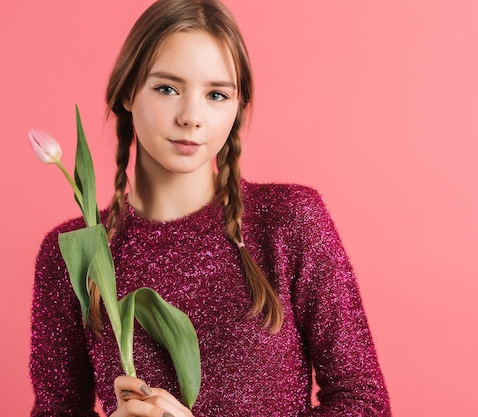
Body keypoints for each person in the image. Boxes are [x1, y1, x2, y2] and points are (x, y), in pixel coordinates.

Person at [30, 0, 392, 416]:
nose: (191, 117)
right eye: (167, 88)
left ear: (237, 107)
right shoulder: (74, 252)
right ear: (128, 91)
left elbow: (363, 403)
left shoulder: (289, 220)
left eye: (216, 94)